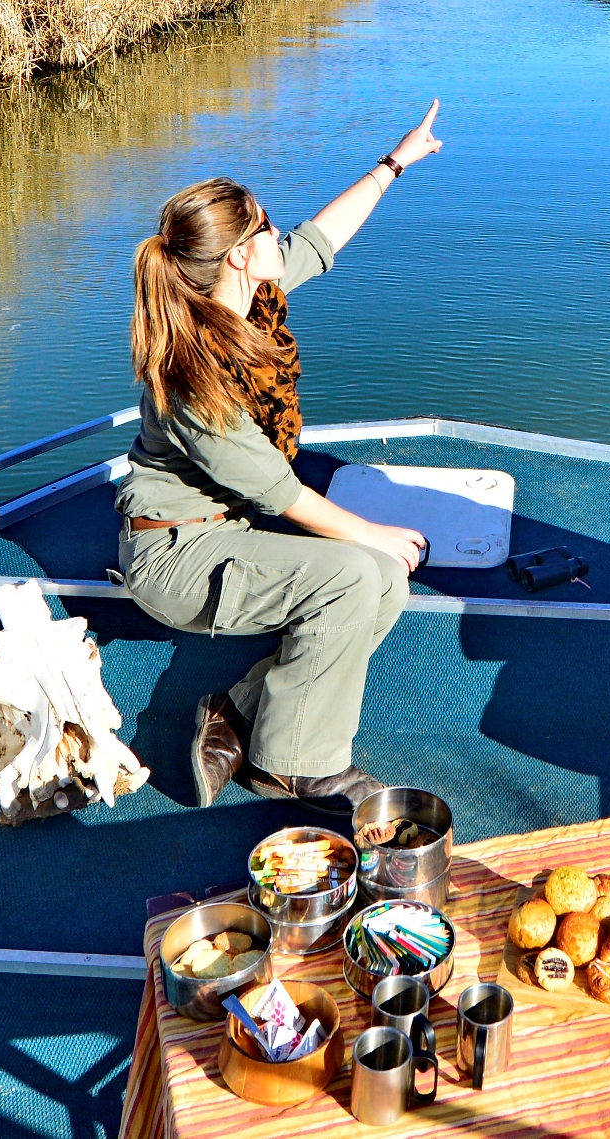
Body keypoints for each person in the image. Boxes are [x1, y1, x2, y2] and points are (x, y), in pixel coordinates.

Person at [118, 104, 444, 811]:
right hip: (176, 555)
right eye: (266, 226)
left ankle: (237, 711)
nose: (278, 233)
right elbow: (277, 491)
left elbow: (319, 241)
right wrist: (374, 531)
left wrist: (395, 162)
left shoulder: (247, 298)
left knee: (384, 579)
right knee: (355, 573)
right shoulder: (190, 371)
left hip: (226, 530)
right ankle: (293, 764)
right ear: (238, 253)